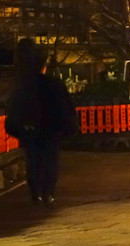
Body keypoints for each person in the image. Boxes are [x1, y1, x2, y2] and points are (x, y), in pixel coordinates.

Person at [5, 52, 79, 205]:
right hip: (51, 129)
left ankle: (36, 193)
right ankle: (48, 193)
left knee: (33, 161)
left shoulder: (24, 86)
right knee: (50, 161)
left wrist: (17, 127)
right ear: (44, 67)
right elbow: (65, 106)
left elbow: (15, 107)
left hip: (30, 130)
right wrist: (67, 126)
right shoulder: (54, 84)